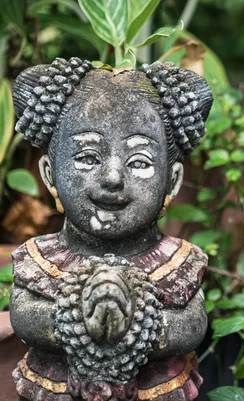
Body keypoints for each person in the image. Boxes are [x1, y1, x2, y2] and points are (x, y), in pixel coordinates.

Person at [10, 58, 213, 401]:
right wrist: (75, 320)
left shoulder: (179, 262)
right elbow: (23, 316)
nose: (113, 177)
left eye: (139, 162)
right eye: (88, 157)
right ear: (49, 175)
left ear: (172, 182)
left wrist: (135, 324)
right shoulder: (39, 260)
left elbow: (192, 324)